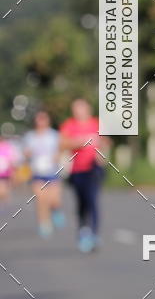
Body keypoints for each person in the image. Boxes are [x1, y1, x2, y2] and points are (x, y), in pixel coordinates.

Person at [59, 99, 110, 253]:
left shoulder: (97, 123)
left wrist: (103, 154)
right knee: (81, 201)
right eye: (75, 108)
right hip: (76, 170)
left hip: (93, 169)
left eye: (80, 108)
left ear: (88, 108)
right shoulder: (69, 125)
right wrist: (78, 142)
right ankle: (83, 231)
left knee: (93, 199)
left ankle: (94, 233)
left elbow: (106, 142)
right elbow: (62, 144)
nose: (78, 111)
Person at [22, 110, 65, 238]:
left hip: (52, 172)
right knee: (41, 200)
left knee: (54, 200)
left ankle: (56, 210)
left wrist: (57, 155)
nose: (41, 121)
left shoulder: (54, 135)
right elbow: (25, 152)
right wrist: (27, 154)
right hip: (37, 173)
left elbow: (61, 148)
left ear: (48, 120)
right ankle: (44, 224)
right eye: (39, 119)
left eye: (43, 119)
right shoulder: (30, 136)